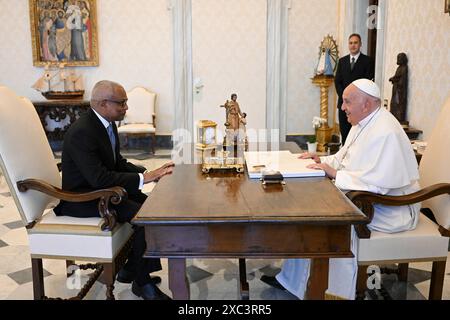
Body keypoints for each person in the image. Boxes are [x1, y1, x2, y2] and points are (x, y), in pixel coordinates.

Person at [261, 79, 420, 300]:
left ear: (367, 104)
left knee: (332, 223)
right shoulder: (361, 123)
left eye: (347, 102)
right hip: (367, 198)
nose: (342, 107)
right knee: (307, 212)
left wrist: (335, 174)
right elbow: (344, 157)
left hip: (392, 209)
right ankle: (294, 282)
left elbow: (379, 185)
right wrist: (322, 160)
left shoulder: (386, 131)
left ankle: (333, 293)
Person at [54, 80, 175, 300]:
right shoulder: (83, 131)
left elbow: (116, 162)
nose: (126, 108)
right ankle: (142, 283)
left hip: (104, 191)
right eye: (121, 103)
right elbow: (99, 178)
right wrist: (145, 178)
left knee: (153, 207)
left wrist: (151, 172)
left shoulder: (105, 123)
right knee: (144, 219)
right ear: (102, 104)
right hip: (83, 198)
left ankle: (131, 268)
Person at [334, 34, 374, 145]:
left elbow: (367, 82)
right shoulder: (342, 61)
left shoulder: (368, 61)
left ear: (360, 44)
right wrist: (345, 98)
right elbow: (337, 82)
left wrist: (354, 98)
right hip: (343, 104)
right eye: (351, 43)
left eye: (355, 43)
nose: (353, 45)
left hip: (360, 105)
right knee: (345, 133)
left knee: (358, 134)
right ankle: (343, 158)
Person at [389, 52, 408, 124]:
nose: (398, 60)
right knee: (394, 103)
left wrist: (394, 80)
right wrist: (393, 79)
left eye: (399, 58)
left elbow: (402, 80)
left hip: (400, 90)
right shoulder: (399, 68)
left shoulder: (404, 68)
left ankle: (399, 117)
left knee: (398, 103)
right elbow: (396, 76)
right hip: (396, 88)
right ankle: (394, 115)